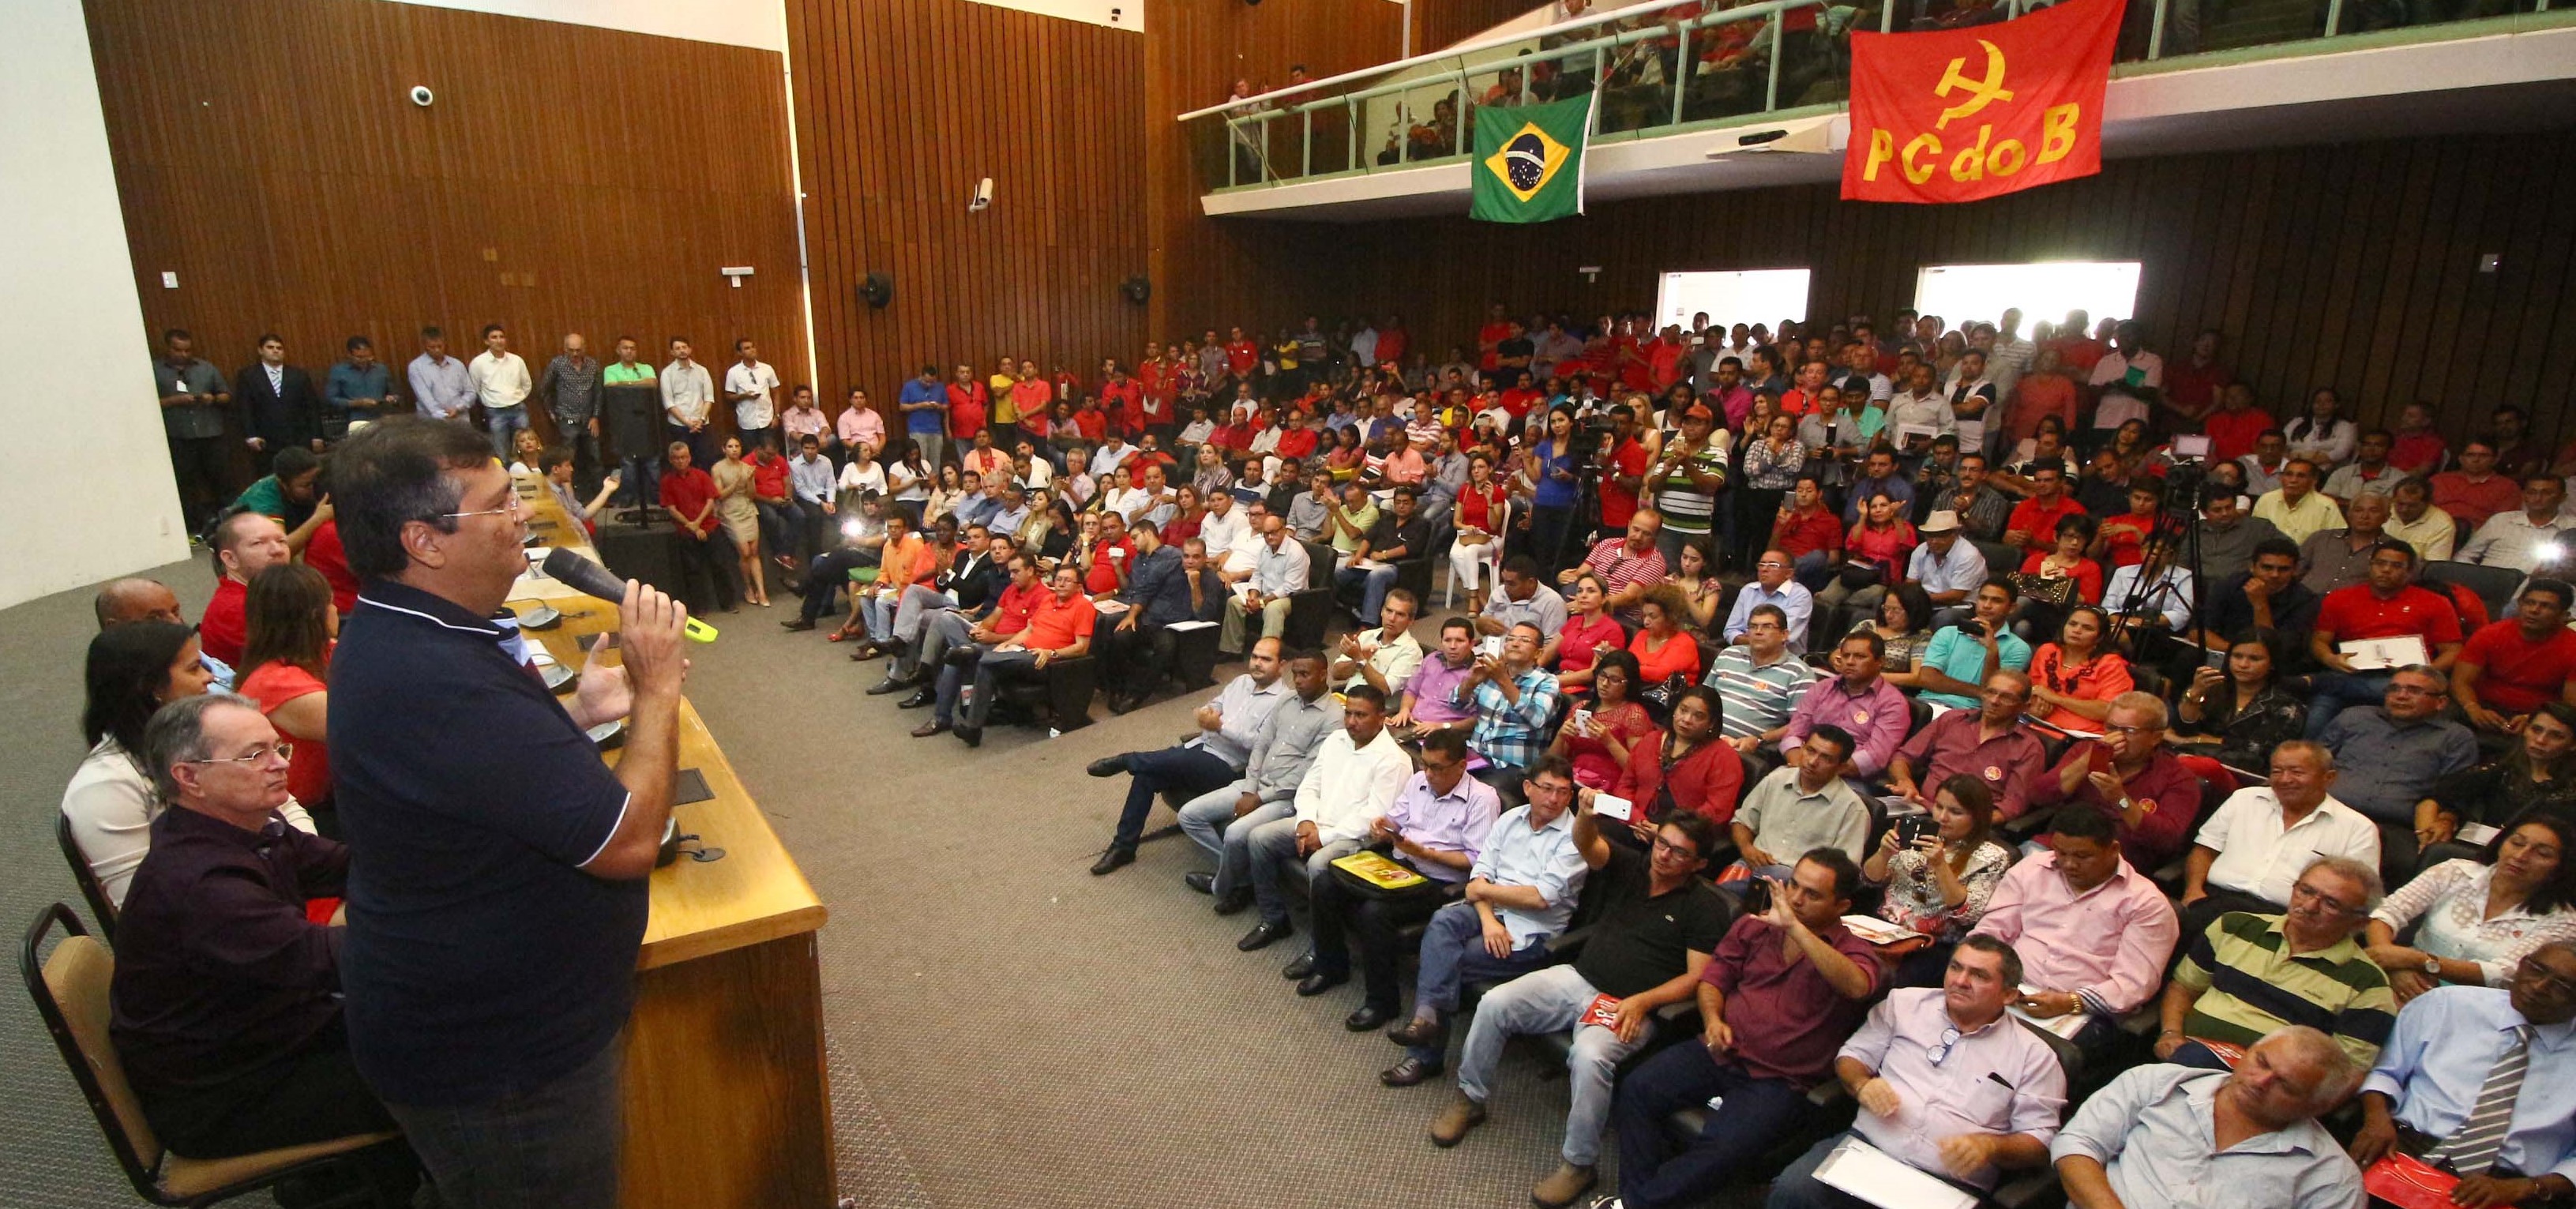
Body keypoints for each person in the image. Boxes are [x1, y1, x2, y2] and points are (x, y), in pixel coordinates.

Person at [328, 416, 691, 1208]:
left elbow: (480, 777)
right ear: (425, 540)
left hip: (494, 1023)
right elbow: (628, 842)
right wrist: (657, 687)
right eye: (500, 506)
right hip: (501, 1063)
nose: (521, 518)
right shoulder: (436, 678)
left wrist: (583, 717)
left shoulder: (414, 630)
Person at [110, 695, 419, 1202]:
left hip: (263, 1035)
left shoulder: (242, 829)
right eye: (255, 755)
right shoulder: (202, 888)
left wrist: (448, 857)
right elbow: (336, 962)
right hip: (227, 1093)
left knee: (436, 1021)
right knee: (457, 1061)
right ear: (190, 777)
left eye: (278, 749)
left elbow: (348, 863)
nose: (279, 764)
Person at [1423, 775, 1726, 1208]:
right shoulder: (1638, 867)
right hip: (1579, 977)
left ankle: (1579, 1164)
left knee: (1588, 1057)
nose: (1665, 855)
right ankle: (1470, 1098)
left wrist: (1644, 1001)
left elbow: (1697, 977)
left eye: (1679, 852)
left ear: (1698, 864)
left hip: (1628, 1005)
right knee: (1494, 1003)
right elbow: (1591, 847)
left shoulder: (1706, 907)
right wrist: (1584, 815)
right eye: (1663, 844)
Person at [1607, 850, 1883, 1209]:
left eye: (1812, 895)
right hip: (1720, 1050)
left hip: (1778, 1080)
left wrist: (1795, 928)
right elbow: (1713, 981)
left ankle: (1635, 1204)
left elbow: (1857, 986)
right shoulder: (1754, 926)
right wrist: (1713, 1020)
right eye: (1794, 885)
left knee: (1725, 1147)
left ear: (1841, 905)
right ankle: (1640, 1199)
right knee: (1637, 1089)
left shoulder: (1855, 952)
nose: (1796, 899)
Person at [1764, 937, 2067, 1209]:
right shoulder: (1905, 1004)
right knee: (1793, 1191)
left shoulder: (2035, 1057)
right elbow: (1852, 1056)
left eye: (1979, 975)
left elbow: (2038, 1141)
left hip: (1947, 1182)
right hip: (1867, 1149)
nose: (1960, 981)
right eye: (1956, 967)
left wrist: (1989, 1146)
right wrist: (1861, 1084)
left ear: (2009, 995)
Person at [1294, 727, 1503, 1025]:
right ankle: (1331, 967)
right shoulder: (1418, 781)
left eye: (1437, 768)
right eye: (1426, 765)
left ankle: (1382, 1002)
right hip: (1399, 865)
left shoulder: (1483, 800)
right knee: (1327, 881)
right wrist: (1383, 824)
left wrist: (1424, 853)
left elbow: (1475, 862)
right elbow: (1396, 820)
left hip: (1439, 882)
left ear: (1461, 766)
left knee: (1374, 912)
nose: (1428, 774)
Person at [2350, 944, 2576, 1206]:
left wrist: (2525, 1188)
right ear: (2522, 964)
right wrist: (2375, 1117)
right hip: (2403, 1148)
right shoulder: (2448, 1004)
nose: (2539, 987)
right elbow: (2386, 1072)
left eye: (2562, 986)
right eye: (2537, 970)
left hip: (2508, 1183)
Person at [62, 621, 265, 907]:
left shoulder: (211, 735)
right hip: (211, 922)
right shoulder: (105, 786)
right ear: (152, 687)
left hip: (261, 879)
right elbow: (145, 903)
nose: (209, 677)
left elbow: (282, 809)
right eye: (194, 669)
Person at [2050, 1027, 2365, 1209]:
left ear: (2315, 1106)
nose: (2260, 1081)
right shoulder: (2155, 1083)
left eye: (2284, 1084)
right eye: (2262, 1062)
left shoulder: (2332, 1180)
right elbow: (2077, 1145)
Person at [1973, 806, 2181, 1058]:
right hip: (2008, 988)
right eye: (2061, 852)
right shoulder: (2032, 869)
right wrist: (1988, 975)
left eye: (2083, 856)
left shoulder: (2146, 904)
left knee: (2018, 1058)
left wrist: (2070, 1002)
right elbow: (1992, 931)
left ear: (2113, 850)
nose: (2069, 864)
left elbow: (2133, 985)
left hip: (2082, 1011)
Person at [2161, 855, 2396, 1071]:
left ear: (2358, 923)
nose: (2310, 906)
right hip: (2188, 1056)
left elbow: (2347, 1071)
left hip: (2268, 1086)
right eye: (2306, 891)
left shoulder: (2369, 984)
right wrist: (2170, 1034)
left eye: (2331, 904)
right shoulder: (2234, 926)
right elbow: (2183, 987)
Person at [1086, 638, 1288, 873]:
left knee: (1158, 764)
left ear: (1282, 664)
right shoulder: (1241, 682)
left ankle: (1127, 760)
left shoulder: (1283, 702)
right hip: (1199, 747)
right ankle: (1124, 847)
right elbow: (1216, 704)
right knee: (1147, 774)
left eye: (1266, 659)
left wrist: (1220, 727)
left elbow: (1260, 746)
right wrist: (1205, 713)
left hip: (1229, 767)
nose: (1257, 664)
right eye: (1254, 657)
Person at [1236, 684, 1412, 952]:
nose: (1352, 722)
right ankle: (1274, 919)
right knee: (1260, 838)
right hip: (1316, 822)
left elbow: (1374, 817)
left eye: (1361, 715)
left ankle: (1322, 949)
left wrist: (1324, 836)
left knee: (1319, 864)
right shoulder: (1336, 740)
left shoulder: (1394, 760)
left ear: (1381, 718)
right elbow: (1310, 785)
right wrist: (1306, 820)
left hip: (1356, 838)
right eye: (1348, 713)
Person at [1171, 648, 1342, 912]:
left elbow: (1308, 771)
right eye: (1295, 674)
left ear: (1323, 674)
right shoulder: (1286, 701)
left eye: (1305, 674)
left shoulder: (1334, 718)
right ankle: (1241, 881)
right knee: (1189, 815)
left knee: (1236, 833)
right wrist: (1251, 787)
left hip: (1287, 798)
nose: (1298, 680)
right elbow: (1260, 747)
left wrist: (1260, 797)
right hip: (1254, 784)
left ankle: (1220, 885)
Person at [2370, 813, 2576, 1004]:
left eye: (2542, 853)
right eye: (2517, 843)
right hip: (2404, 978)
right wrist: (2393, 965)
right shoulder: (2454, 871)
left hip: (2478, 1003)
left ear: (2560, 867)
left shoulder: (2563, 920)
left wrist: (2418, 960)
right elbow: (2386, 913)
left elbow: (2504, 973)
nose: (2521, 856)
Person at [2185, 742, 2383, 933]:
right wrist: (2193, 891)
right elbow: (2205, 849)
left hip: (2288, 921)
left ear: (2328, 778)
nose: (2284, 779)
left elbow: (2356, 895)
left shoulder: (2357, 828)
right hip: (2212, 901)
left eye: (2297, 772)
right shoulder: (2244, 799)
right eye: (2277, 771)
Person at [2319, 666, 2479, 873]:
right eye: (2394, 689)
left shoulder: (2456, 738)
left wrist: (2445, 819)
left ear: (2441, 702)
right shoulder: (2354, 717)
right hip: (2329, 812)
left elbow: (2456, 794)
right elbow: (2313, 761)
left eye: (2414, 691)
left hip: (2395, 828)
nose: (2401, 696)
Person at [1862, 776, 2016, 984]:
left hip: (1931, 946)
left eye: (1955, 812)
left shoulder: (1992, 856)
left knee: (1875, 977)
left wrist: (1940, 865)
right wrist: (1883, 853)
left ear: (1977, 817)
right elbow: (1869, 881)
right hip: (1881, 926)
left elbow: (1969, 913)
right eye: (1939, 807)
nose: (1942, 817)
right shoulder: (1918, 834)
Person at [2305, 539, 2465, 738]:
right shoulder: (2339, 598)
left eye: (2396, 566)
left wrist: (2423, 674)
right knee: (2315, 721)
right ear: (2370, 565)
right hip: (2351, 671)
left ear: (2410, 572)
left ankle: (2319, 682)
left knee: (2338, 686)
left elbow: (2453, 651)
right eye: (2380, 563)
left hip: (2403, 681)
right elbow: (2319, 641)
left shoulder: (2436, 603)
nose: (2386, 570)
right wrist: (2331, 659)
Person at [235, 563, 338, 824]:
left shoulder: (320, 653)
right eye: (332, 602)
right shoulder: (275, 681)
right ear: (317, 614)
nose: (336, 610)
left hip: (326, 797)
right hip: (295, 813)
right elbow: (370, 728)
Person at [954, 564, 1095, 748]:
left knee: (982, 658)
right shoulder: (1048, 600)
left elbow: (1082, 647)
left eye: (1067, 581)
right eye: (1059, 579)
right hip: (1023, 652)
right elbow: (1028, 631)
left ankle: (971, 652)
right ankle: (973, 730)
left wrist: (1051, 652)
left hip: (1047, 662)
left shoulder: (1083, 606)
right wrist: (1007, 644)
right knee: (986, 665)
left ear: (1078, 586)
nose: (1061, 584)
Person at [1887, 670, 2050, 820]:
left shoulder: (2029, 747)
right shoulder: (1951, 720)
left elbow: (2013, 806)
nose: (1994, 701)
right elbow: (1903, 757)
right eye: (1990, 692)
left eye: (2006, 697)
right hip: (1920, 809)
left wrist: (1970, 824)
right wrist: (1904, 780)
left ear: (2024, 706)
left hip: (1973, 827)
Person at [1729, 726, 1872, 882]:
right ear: (1801, 747)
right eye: (1810, 750)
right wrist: (1747, 848)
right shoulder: (1777, 779)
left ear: (1841, 767)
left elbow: (1844, 872)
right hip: (1751, 864)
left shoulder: (1853, 810)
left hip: (1800, 884)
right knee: (1715, 898)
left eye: (1826, 758)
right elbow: (1741, 822)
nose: (1812, 762)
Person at [2172, 629, 2309, 773]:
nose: (2243, 664)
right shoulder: (2212, 688)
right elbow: (2183, 730)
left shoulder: (2288, 707)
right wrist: (2194, 693)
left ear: (2272, 664)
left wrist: (2195, 741)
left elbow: (2255, 753)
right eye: (2237, 656)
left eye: (2255, 659)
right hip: (2191, 761)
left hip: (2242, 776)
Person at [1455, 621, 1562, 800]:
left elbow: (1537, 718)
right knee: (1436, 769)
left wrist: (1502, 679)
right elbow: (1457, 703)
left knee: (1479, 795)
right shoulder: (1491, 673)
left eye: (1524, 640)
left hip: (1512, 767)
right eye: (1510, 638)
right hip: (1474, 754)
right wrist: (1471, 681)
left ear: (1538, 653)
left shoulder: (1547, 682)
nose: (1515, 643)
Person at [2455, 581, 2576, 737]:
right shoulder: (2490, 634)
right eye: (2529, 603)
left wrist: (2533, 719)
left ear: (2564, 615)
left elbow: (2570, 704)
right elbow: (2461, 681)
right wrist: (2472, 708)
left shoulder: (2572, 646)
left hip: (2542, 716)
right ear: (2519, 604)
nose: (2534, 610)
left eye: (2546, 606)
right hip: (2484, 707)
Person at [1779, 632, 1906, 778]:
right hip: (1803, 767)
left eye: (1860, 657)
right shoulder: (1822, 688)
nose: (1850, 662)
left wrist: (1822, 772)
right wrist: (1800, 765)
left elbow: (1875, 757)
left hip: (1850, 780)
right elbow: (1793, 733)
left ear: (1880, 661)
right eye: (1846, 656)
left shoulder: (1893, 703)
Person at [1703, 603, 1816, 757]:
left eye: (1767, 627)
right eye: (1753, 626)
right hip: (1702, 734)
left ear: (1784, 634)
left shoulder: (1799, 673)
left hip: (1744, 749)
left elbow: (1799, 725)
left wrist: (1759, 740)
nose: (1758, 632)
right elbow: (1703, 696)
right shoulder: (1728, 655)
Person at [157, 329, 236, 531]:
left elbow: (226, 395)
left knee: (222, 480)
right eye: (178, 350)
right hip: (179, 436)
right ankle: (194, 528)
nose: (183, 355)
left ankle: (230, 523)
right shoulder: (156, 370)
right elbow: (149, 403)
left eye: (187, 350)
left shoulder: (206, 368)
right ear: (168, 348)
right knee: (186, 485)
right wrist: (176, 400)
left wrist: (213, 398)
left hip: (211, 433)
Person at [199, 510, 292, 668]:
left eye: (282, 541)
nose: (278, 550)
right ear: (230, 559)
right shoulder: (235, 609)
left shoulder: (269, 593)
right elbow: (295, 664)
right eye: (258, 543)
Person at [659, 440, 738, 614]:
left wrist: (698, 523)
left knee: (720, 565)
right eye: (677, 458)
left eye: (684, 457)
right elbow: (671, 509)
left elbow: (711, 500)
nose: (681, 461)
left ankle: (728, 603)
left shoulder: (701, 475)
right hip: (685, 531)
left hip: (709, 526)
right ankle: (698, 608)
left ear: (690, 458)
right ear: (671, 460)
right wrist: (692, 527)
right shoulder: (667, 481)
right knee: (692, 570)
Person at [2027, 605, 2132, 734]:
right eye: (2072, 624)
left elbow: (2109, 711)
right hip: (2036, 724)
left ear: (2099, 637)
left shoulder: (2110, 664)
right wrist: (2031, 708)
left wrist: (2056, 699)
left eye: (2087, 628)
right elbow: (2030, 689)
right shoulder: (2047, 651)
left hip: (2080, 736)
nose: (2077, 630)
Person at [232, 333, 325, 473]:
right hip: (266, 439)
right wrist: (251, 435)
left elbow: (312, 407)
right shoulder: (248, 375)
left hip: (298, 437)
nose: (275, 350)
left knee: (302, 474)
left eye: (279, 348)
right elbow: (245, 407)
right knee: (270, 476)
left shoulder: (298, 375)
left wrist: (317, 436)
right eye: (270, 347)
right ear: (260, 350)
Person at [1220, 516, 1310, 656]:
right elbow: (1258, 574)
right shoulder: (1265, 548)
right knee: (1234, 602)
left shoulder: (1296, 552)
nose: (1270, 537)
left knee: (1273, 609)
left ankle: (1267, 655)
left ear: (1284, 530)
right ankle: (1231, 651)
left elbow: (1289, 587)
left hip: (1292, 597)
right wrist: (1253, 596)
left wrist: (1262, 602)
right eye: (1266, 533)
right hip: (1265, 593)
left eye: (1274, 532)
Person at [2461, 475, 2576, 576]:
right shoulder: (2501, 520)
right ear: (2524, 495)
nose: (2538, 498)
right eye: (2532, 492)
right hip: (2488, 585)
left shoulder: (2572, 527)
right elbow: (2465, 555)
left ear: (2563, 498)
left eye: (2546, 493)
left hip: (2541, 591)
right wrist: (2473, 578)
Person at [531, 334, 603, 485]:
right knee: (569, 459)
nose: (575, 354)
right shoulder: (557, 364)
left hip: (589, 420)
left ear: (584, 348)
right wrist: (550, 411)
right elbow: (544, 389)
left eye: (578, 350)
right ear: (564, 349)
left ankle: (600, 492)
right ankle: (573, 493)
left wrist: (595, 416)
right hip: (567, 419)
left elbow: (598, 393)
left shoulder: (593, 365)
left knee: (595, 456)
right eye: (571, 350)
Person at [709, 435, 771, 608]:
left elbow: (751, 494)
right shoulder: (718, 468)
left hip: (747, 508)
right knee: (744, 551)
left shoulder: (746, 467)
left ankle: (762, 591)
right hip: (729, 510)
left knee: (754, 550)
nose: (734, 449)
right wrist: (736, 482)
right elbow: (719, 495)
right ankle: (748, 588)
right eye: (730, 446)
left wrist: (750, 479)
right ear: (724, 449)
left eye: (737, 446)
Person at [1552, 574, 1628, 696]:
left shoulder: (1612, 630)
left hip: (1585, 687)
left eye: (1591, 591)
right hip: (1559, 676)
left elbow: (1594, 673)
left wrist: (1550, 681)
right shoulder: (1573, 621)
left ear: (1604, 598)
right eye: (1580, 591)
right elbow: (1547, 653)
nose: (1583, 595)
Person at [466, 323, 532, 459]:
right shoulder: (478, 363)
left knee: (525, 448)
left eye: (502, 337)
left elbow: (527, 385)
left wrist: (515, 398)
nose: (499, 340)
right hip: (495, 412)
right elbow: (475, 388)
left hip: (518, 409)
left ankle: (525, 475)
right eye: (494, 337)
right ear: (486, 341)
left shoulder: (516, 360)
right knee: (501, 450)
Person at [2253, 457, 2346, 546]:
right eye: (2289, 475)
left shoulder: (2327, 505)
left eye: (2301, 476)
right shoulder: (2266, 500)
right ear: (2281, 478)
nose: (2293, 480)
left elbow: (2337, 541)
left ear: (2314, 481)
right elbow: (2255, 535)